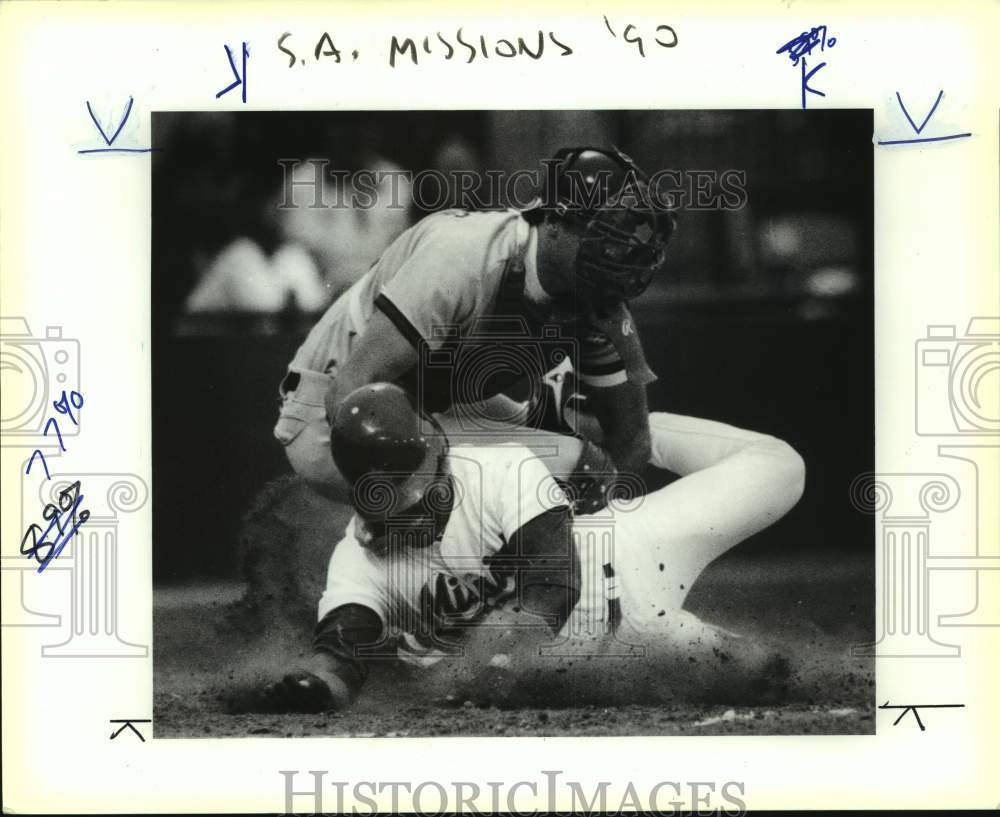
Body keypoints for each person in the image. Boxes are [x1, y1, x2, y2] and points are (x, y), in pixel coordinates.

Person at [260, 382, 806, 713]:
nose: (425, 486)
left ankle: (632, 427)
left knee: (780, 467)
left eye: (427, 467)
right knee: (759, 672)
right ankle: (710, 643)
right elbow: (342, 653)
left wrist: (487, 661)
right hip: (621, 652)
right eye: (404, 482)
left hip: (631, 552)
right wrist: (318, 686)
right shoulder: (358, 561)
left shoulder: (498, 467)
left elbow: (554, 583)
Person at [272, 147, 676, 506]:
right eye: (605, 233)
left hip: (435, 403)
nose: (620, 254)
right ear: (553, 221)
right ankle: (382, 564)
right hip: (329, 413)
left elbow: (631, 439)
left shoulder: (598, 301)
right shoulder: (462, 256)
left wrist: (577, 534)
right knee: (473, 495)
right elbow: (351, 389)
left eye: (627, 238)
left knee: (586, 469)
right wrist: (398, 505)